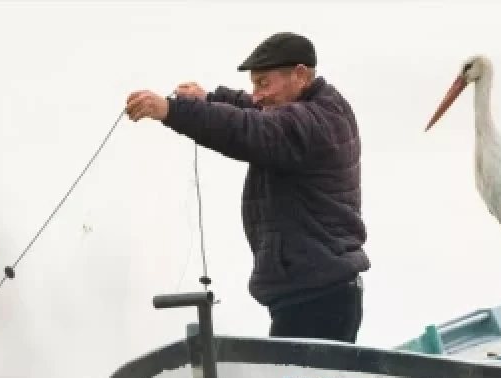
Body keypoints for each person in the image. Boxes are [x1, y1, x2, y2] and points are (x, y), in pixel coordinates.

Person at [124, 31, 370, 344]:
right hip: (318, 291)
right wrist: (209, 99)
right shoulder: (318, 106)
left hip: (317, 300)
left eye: (263, 83)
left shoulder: (311, 123)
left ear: (299, 75)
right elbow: (253, 110)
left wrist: (172, 111)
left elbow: (247, 128)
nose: (256, 95)